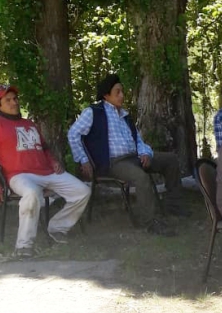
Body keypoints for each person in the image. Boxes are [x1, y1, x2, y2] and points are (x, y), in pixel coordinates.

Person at [67, 74, 186, 236]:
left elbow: (138, 140)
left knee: (170, 160)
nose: (122, 95)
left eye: (122, 91)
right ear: (106, 95)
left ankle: (174, 206)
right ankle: (150, 222)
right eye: (118, 92)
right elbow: (73, 134)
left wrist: (144, 152)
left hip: (134, 157)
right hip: (112, 163)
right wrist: (83, 159)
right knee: (141, 177)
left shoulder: (124, 116)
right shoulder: (93, 112)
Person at [0, 85, 91, 258]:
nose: (14, 102)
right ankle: (24, 246)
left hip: (47, 172)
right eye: (8, 100)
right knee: (32, 193)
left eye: (15, 98)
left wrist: (53, 161)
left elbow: (44, 149)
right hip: (19, 175)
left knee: (83, 191)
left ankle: (57, 228)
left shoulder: (29, 123)